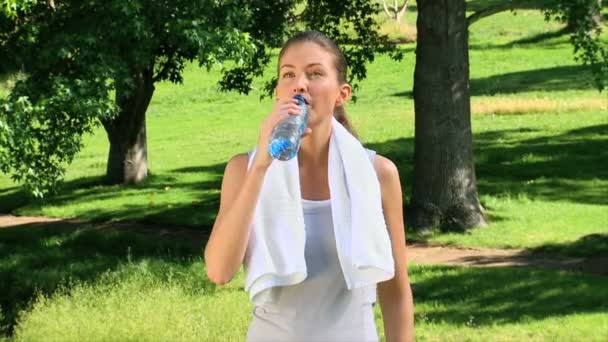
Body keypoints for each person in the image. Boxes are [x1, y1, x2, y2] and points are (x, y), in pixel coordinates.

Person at [204, 30, 414, 341]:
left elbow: (395, 293)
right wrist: (261, 166)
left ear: (342, 93)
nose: (299, 84)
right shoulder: (243, 170)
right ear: (278, 91)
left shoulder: (378, 174)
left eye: (315, 73)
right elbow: (219, 272)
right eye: (288, 74)